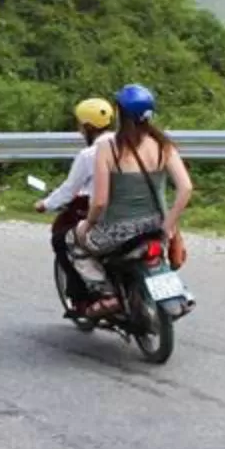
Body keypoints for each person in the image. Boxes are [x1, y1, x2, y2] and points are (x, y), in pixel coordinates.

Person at [76, 84, 195, 318]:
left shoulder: (107, 148)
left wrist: (87, 225)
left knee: (74, 240)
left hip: (117, 233)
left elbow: (99, 202)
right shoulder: (162, 145)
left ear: (120, 113)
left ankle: (107, 294)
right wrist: (167, 226)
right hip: (155, 229)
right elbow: (186, 188)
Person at [35, 97, 115, 314]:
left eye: (81, 126)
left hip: (102, 214)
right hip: (134, 213)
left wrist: (46, 204)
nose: (80, 131)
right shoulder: (129, 146)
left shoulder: (90, 155)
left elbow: (70, 189)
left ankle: (83, 298)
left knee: (62, 239)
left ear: (88, 127)